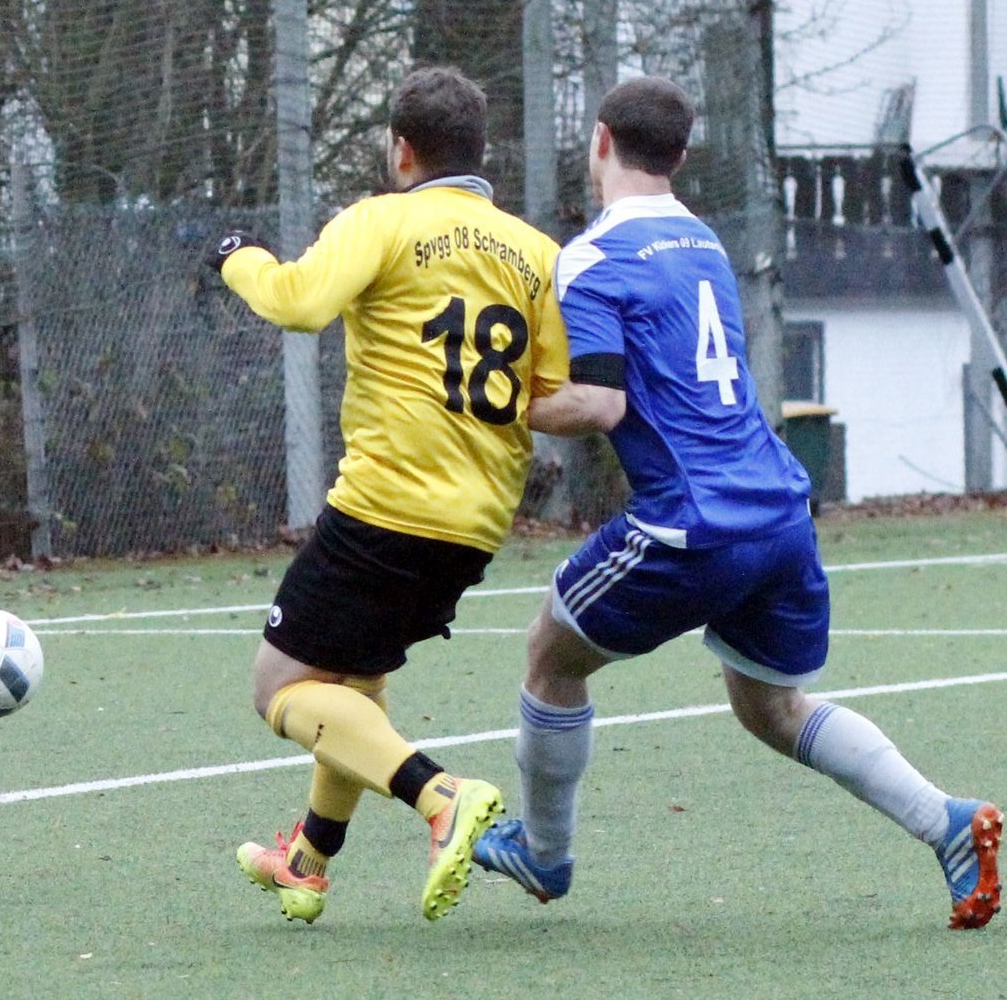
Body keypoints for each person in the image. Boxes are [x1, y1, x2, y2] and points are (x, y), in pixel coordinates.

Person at [471, 75, 1001, 930]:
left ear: (598, 141)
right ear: (679, 157)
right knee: (771, 706)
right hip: (778, 512)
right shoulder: (700, 240)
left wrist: (492, 403)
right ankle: (944, 821)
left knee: (548, 656)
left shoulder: (593, 256)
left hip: (692, 522)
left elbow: (597, 406)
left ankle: (542, 851)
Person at [206, 66, 570, 923]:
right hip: (476, 521)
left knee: (281, 689)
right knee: (353, 683)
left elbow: (299, 302)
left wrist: (237, 258)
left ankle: (440, 799)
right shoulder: (538, 253)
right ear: (478, 153)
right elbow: (550, 387)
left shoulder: (381, 220)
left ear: (400, 150)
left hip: (385, 504)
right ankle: (307, 859)